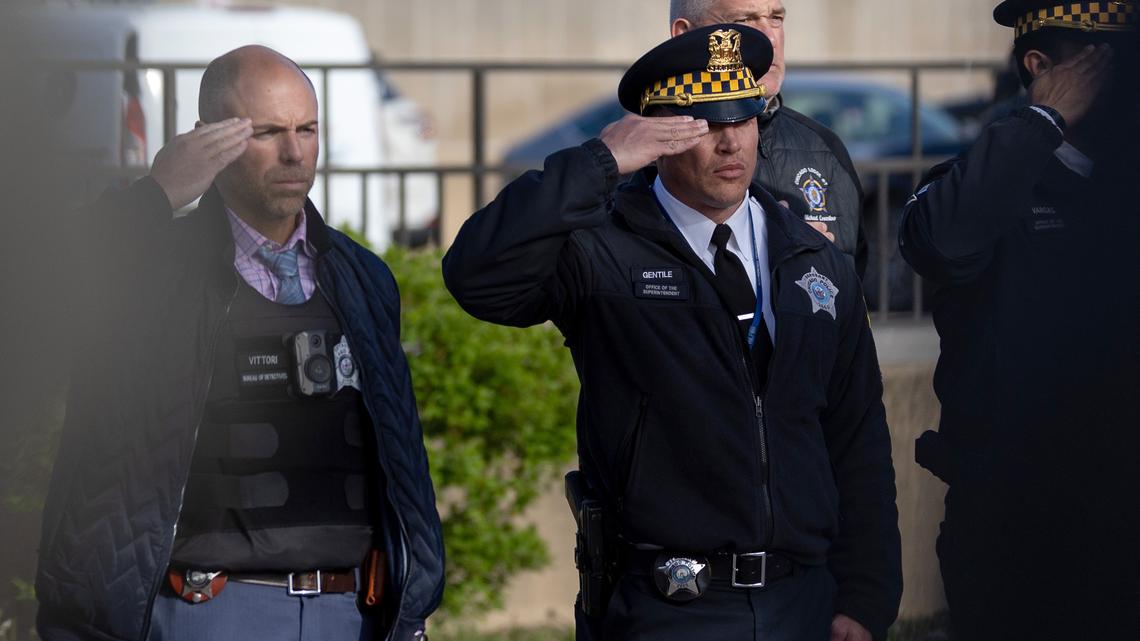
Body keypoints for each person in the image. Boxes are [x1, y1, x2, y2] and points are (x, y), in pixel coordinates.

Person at [443, 24, 900, 641]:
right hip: (668, 605)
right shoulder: (601, 250)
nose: (731, 142)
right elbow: (476, 276)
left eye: (744, 118)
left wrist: (866, 597)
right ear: (658, 135)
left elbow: (857, 437)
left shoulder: (814, 259)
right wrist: (598, 162)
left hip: (805, 603)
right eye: (706, 125)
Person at [34, 46, 444, 641]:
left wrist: (411, 604)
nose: (294, 152)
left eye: (307, 130)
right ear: (209, 140)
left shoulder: (362, 277)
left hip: (352, 610)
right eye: (269, 132)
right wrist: (155, 195)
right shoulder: (148, 274)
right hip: (204, 611)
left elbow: (398, 457)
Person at [899, 2, 1140, 639]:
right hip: (1018, 535)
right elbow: (944, 243)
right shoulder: (978, 189)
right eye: (1110, 65)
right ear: (1041, 68)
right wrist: (1040, 121)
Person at [670, 0, 869, 279]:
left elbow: (853, 291)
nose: (771, 39)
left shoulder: (824, 148)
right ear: (684, 34)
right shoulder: (654, 156)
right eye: (744, 21)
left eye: (776, 18)